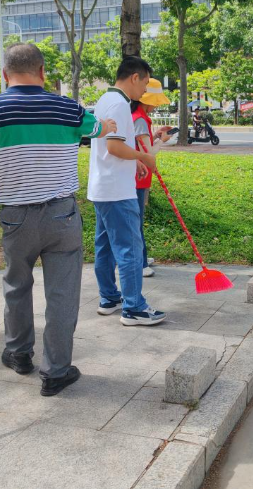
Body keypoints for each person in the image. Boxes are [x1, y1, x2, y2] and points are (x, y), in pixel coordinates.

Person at [0, 43, 115, 397]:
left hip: (15, 217)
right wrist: (108, 124)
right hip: (61, 215)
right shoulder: (67, 108)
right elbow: (97, 129)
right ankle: (56, 371)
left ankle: (18, 353)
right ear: (42, 72)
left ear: (4, 74)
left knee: (16, 285)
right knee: (62, 293)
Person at [88, 57, 166, 326]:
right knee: (130, 248)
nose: (144, 91)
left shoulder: (104, 99)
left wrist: (134, 162)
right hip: (117, 191)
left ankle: (109, 298)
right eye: (145, 83)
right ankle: (134, 308)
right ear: (135, 77)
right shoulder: (121, 104)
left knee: (105, 247)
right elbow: (114, 147)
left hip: (102, 187)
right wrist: (143, 157)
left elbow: (111, 146)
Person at [132, 78, 172, 278]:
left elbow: (142, 145)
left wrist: (155, 136)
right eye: (155, 102)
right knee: (136, 220)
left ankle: (141, 256)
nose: (156, 106)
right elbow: (148, 154)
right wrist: (161, 142)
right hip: (137, 177)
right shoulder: (139, 119)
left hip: (140, 176)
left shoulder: (140, 117)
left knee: (137, 218)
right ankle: (138, 263)